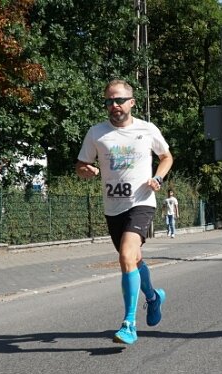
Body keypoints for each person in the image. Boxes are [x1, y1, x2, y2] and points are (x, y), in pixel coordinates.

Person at [76, 79, 173, 346]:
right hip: (113, 208)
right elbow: (81, 164)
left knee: (126, 256)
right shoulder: (96, 133)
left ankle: (129, 323)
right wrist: (85, 170)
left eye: (119, 100)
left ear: (131, 102)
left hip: (141, 201)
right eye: (109, 101)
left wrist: (158, 178)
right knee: (134, 260)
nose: (114, 105)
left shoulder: (147, 128)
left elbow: (166, 157)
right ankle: (153, 297)